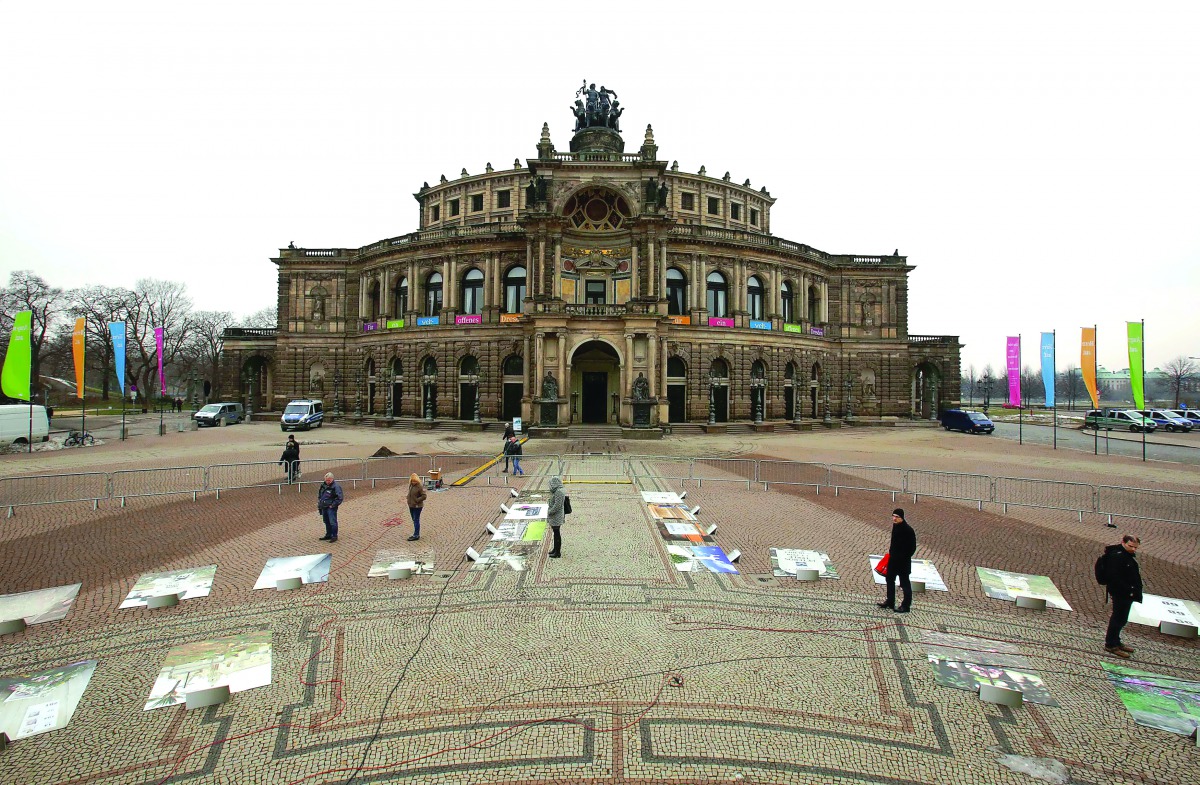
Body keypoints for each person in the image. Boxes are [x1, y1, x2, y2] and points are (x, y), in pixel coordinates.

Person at [1103, 534, 1143, 658]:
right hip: (1121, 593)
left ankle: (1116, 641)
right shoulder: (1117, 556)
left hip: (1126, 592)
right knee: (1118, 618)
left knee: (1122, 618)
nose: (1133, 549)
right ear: (1123, 543)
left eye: (1136, 547)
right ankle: (1111, 644)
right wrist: (1129, 589)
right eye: (1131, 546)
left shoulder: (1125, 555)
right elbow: (1115, 577)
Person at [878, 508, 917, 613]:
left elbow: (912, 548)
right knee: (889, 580)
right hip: (893, 561)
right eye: (893, 516)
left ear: (902, 518)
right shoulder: (895, 526)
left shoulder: (908, 530)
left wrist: (903, 557)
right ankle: (890, 601)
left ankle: (906, 605)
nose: (894, 518)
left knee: (905, 584)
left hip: (903, 563)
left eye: (897, 517)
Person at [317, 472, 343, 542]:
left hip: (331, 507)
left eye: (328, 480)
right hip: (324, 506)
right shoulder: (323, 485)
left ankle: (334, 536)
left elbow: (339, 498)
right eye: (326, 480)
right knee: (326, 521)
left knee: (332, 522)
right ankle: (328, 534)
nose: (327, 482)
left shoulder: (336, 486)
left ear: (332, 479)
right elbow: (320, 494)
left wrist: (333, 505)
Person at [546, 476, 566, 558]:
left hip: (556, 516)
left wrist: (550, 512)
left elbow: (557, 505)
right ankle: (555, 549)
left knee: (557, 533)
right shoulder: (557, 490)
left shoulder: (559, 492)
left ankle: (557, 552)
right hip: (555, 515)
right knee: (555, 533)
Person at [407, 473, 427, 542]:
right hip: (411, 505)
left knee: (416, 520)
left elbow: (424, 496)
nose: (413, 482)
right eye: (412, 481)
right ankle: (416, 532)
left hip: (417, 506)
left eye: (415, 481)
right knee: (414, 519)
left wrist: (417, 500)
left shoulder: (419, 487)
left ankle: (416, 535)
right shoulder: (411, 486)